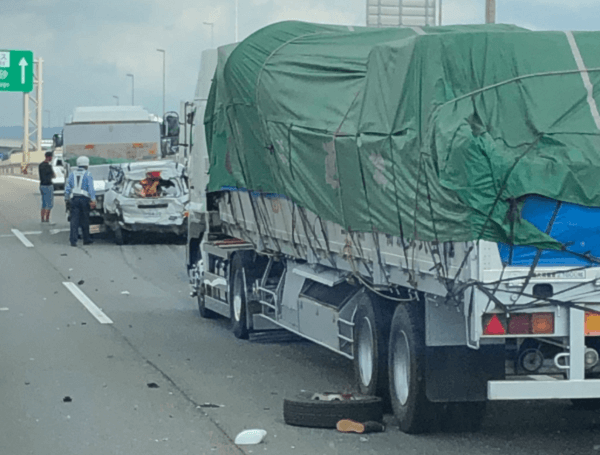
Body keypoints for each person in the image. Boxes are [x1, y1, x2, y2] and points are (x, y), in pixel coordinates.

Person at [64, 156, 96, 247]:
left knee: (74, 220)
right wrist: (93, 199)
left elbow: (68, 187)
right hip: (84, 199)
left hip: (74, 198)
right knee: (85, 219)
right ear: (87, 164)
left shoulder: (72, 174)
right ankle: (86, 239)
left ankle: (73, 240)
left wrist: (66, 198)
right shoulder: (88, 174)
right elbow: (91, 188)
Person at [38, 151, 56, 223]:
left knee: (44, 203)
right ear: (50, 157)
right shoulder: (48, 166)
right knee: (49, 204)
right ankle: (47, 219)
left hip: (42, 185)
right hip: (48, 185)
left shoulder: (40, 165)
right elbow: (53, 175)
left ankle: (42, 219)